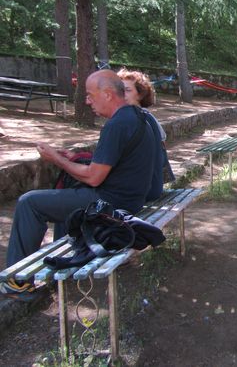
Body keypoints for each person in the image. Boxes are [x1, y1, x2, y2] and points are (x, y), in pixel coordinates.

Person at [0, 70, 160, 299]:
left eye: (90, 95)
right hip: (130, 200)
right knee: (63, 199)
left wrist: (57, 159)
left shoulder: (117, 125)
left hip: (109, 204)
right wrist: (74, 157)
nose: (87, 101)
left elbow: (94, 177)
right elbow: (118, 161)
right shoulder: (137, 117)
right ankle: (58, 267)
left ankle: (17, 281)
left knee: (29, 203)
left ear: (107, 94)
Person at [117, 68, 169, 198]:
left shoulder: (134, 120)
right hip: (151, 187)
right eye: (120, 90)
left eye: (128, 90)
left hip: (141, 191)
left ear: (140, 94)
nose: (123, 94)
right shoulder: (145, 116)